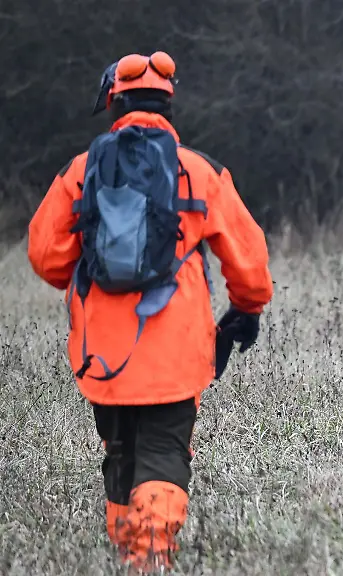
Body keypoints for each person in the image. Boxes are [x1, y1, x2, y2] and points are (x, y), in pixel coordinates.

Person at [26, 51, 274, 572]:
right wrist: (246, 309)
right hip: (176, 349)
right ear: (169, 103)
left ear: (113, 102)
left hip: (102, 353)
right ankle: (151, 558)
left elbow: (47, 257)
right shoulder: (200, 171)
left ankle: (127, 552)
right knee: (163, 453)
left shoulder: (81, 169)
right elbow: (249, 260)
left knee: (120, 451)